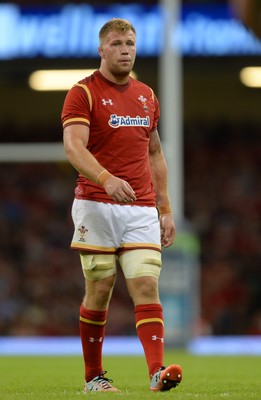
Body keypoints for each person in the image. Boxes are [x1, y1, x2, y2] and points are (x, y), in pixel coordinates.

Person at [61, 18, 182, 393]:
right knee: (100, 288)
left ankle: (157, 373)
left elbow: (155, 153)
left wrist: (165, 208)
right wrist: (106, 179)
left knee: (146, 284)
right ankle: (93, 377)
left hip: (141, 206)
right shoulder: (83, 93)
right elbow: (73, 147)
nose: (125, 49)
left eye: (130, 42)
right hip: (96, 203)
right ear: (102, 49)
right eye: (116, 43)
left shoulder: (147, 95)